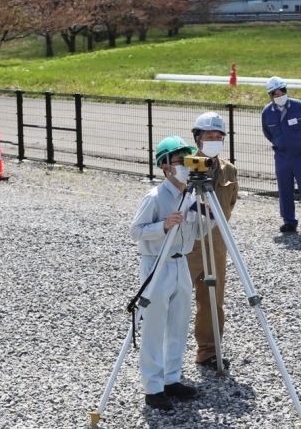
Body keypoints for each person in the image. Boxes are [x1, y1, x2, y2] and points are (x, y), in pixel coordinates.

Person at [130, 136, 202, 411]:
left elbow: (197, 233)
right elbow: (135, 231)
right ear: (165, 167)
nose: (185, 165)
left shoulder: (192, 195)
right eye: (178, 160)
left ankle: (172, 378)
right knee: (154, 326)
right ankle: (153, 387)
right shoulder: (154, 197)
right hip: (156, 264)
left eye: (187, 159)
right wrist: (162, 225)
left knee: (178, 324)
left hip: (180, 263)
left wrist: (207, 216)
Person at [186, 112, 238, 371]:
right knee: (174, 295)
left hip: (217, 242)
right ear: (198, 138)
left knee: (213, 299)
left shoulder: (229, 170)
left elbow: (230, 204)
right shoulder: (185, 167)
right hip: (187, 242)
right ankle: (165, 353)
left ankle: (208, 351)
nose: (215, 141)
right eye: (209, 136)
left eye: (219, 137)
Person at [261, 76, 301, 235]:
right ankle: (289, 221)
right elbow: (267, 133)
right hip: (281, 157)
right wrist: (280, 144)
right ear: (271, 95)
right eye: (276, 93)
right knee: (284, 189)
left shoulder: (298, 106)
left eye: (283, 91)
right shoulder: (267, 112)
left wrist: (299, 142)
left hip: (300, 155)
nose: (280, 95)